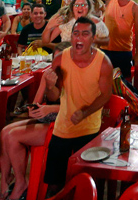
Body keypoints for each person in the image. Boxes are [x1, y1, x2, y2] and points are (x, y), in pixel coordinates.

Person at [43, 18, 113, 195]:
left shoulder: (103, 63)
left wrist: (85, 112)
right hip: (63, 128)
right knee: (54, 185)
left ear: (93, 38)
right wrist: (50, 86)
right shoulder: (60, 60)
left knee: (87, 186)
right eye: (76, 33)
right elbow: (54, 96)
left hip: (89, 129)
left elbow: (105, 95)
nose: (79, 38)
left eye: (85, 33)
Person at [0, 42, 69, 200]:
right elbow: (34, 105)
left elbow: (73, 107)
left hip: (62, 125)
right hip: (45, 120)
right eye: (54, 58)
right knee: (4, 132)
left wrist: (49, 109)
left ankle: (21, 183)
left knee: (12, 136)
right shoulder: (49, 73)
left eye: (59, 58)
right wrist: (37, 106)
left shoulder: (72, 76)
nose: (55, 62)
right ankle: (5, 181)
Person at [42, 0, 109, 46]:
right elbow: (46, 42)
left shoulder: (96, 22)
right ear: (72, 8)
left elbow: (107, 40)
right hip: (67, 57)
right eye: (76, 5)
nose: (80, 7)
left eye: (83, 5)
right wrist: (49, 26)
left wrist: (96, 40)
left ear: (88, 8)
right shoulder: (66, 21)